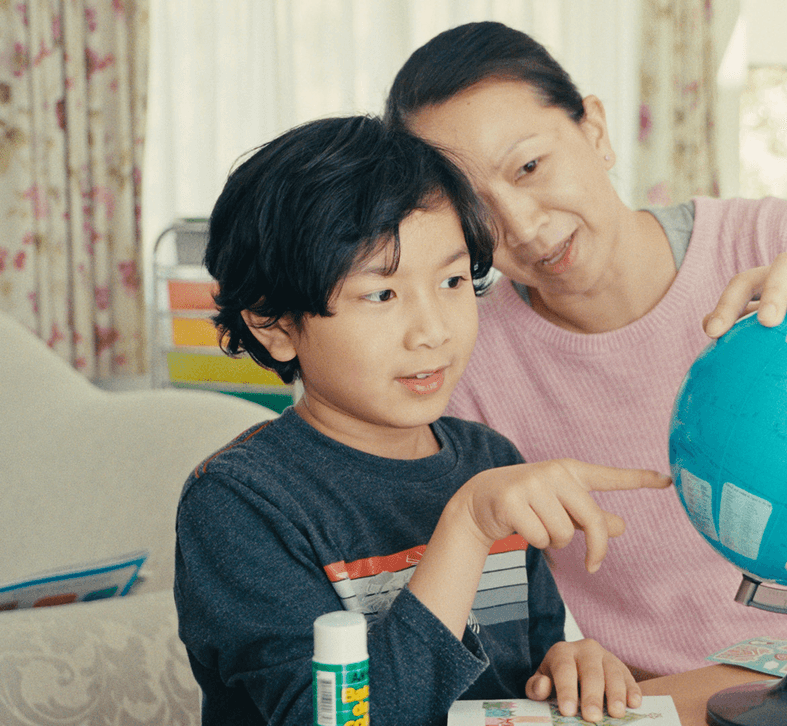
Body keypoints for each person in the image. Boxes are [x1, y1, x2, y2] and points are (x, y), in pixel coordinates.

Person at [385, 21, 787, 678]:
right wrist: (560, 654)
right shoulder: (469, 355)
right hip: (683, 700)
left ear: (596, 130)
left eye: (530, 167)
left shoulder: (769, 240)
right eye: (473, 207)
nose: (522, 226)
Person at [172, 115, 671, 726]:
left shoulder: (491, 460)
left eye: (454, 280)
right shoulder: (238, 503)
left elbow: (528, 676)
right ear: (274, 324)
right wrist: (464, 527)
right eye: (382, 294)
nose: (434, 330)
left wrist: (571, 663)